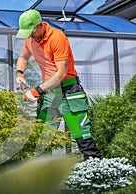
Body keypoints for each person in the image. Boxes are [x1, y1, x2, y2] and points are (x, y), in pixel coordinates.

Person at [15, 9, 101, 160]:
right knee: (42, 135)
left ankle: (96, 172)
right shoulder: (30, 39)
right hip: (50, 92)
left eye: (30, 31)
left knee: (81, 133)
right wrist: (19, 73)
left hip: (68, 90)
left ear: (39, 25)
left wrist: (37, 91)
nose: (28, 36)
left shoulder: (57, 38)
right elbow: (23, 56)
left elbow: (61, 74)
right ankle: (44, 176)